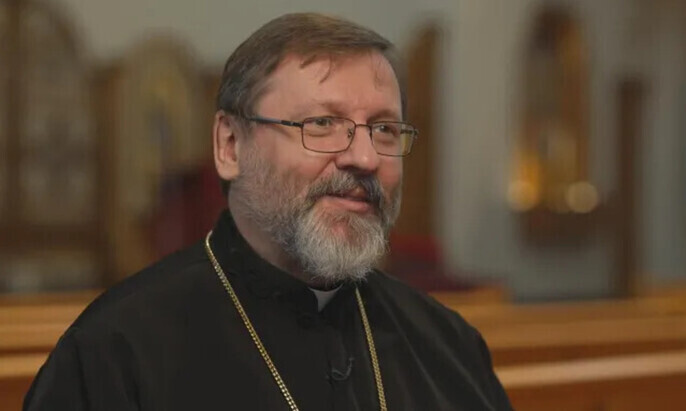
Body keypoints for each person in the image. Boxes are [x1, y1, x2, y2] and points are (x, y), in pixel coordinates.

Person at [24, 13, 512, 411]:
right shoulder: (115, 351)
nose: (364, 158)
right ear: (231, 145)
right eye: (322, 123)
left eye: (384, 130)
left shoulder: (451, 348)